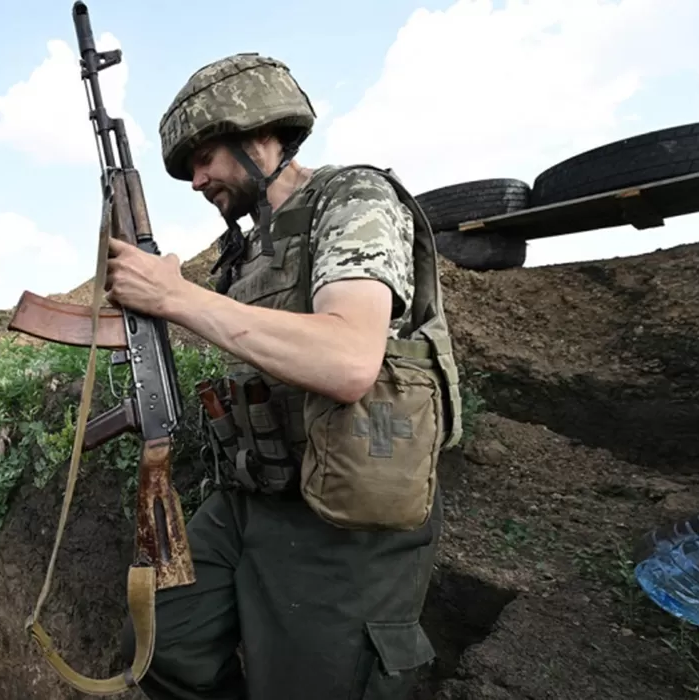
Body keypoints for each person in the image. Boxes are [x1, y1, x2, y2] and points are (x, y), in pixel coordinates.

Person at [106, 53, 463, 700]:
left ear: (256, 134)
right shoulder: (247, 249)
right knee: (162, 640)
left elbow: (350, 360)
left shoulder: (354, 199)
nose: (196, 179)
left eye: (205, 156)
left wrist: (178, 299)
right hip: (252, 493)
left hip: (345, 517)